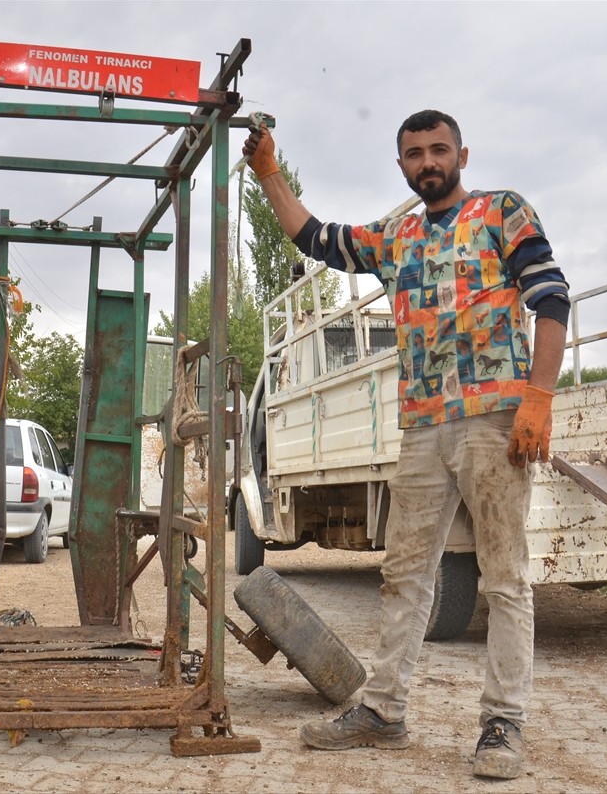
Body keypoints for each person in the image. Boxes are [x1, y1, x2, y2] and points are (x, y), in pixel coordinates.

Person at [243, 109, 570, 780]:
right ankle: (384, 709)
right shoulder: (397, 236)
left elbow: (553, 298)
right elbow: (315, 237)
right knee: (405, 574)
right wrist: (269, 172)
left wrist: (538, 397)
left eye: (439, 150)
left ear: (462, 154)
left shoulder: (501, 212)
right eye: (416, 153)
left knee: (504, 575)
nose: (429, 161)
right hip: (423, 426)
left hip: (494, 420)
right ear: (401, 166)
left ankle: (502, 722)